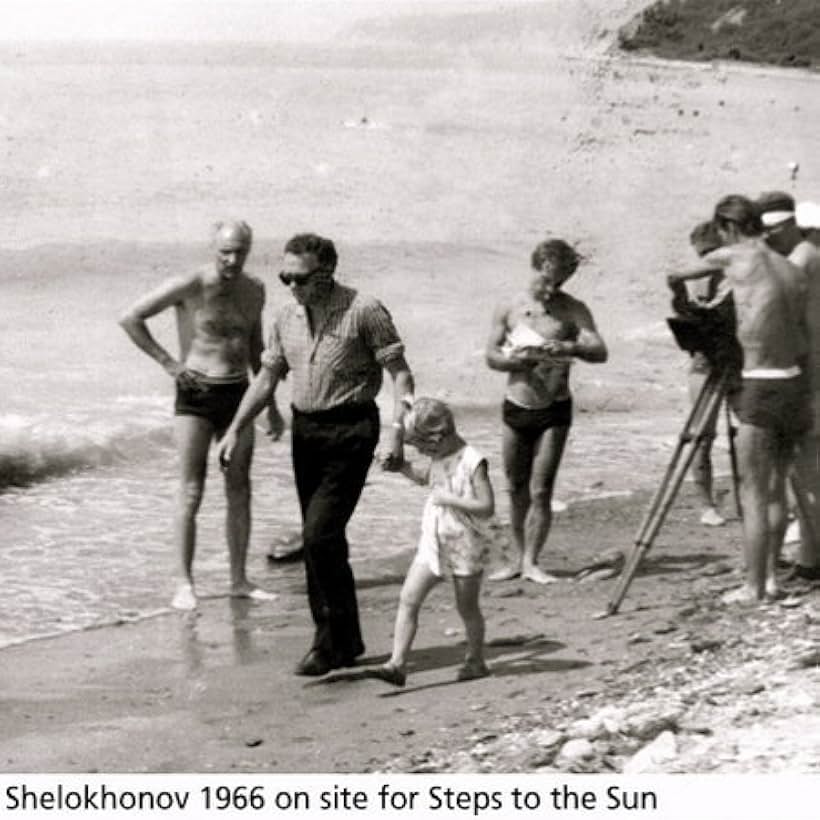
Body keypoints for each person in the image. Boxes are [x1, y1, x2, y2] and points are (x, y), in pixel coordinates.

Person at [217, 232, 414, 676]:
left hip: (353, 429)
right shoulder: (285, 316)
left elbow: (401, 374)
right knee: (322, 537)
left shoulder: (365, 309)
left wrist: (398, 433)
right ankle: (342, 641)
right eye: (285, 277)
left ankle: (330, 644)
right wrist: (234, 429)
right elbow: (266, 379)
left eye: (301, 278)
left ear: (326, 273)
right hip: (306, 432)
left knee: (319, 535)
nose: (292, 286)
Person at [119, 220, 281, 610]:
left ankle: (239, 580)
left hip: (238, 395)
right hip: (195, 396)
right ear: (213, 249)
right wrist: (170, 365)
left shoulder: (255, 290)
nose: (232, 258)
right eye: (225, 251)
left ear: (249, 249)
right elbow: (131, 318)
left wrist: (270, 405)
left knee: (240, 488)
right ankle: (184, 584)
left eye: (240, 250)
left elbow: (257, 345)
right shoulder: (190, 284)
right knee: (191, 489)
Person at [668, 195, 810, 604]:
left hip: (758, 381)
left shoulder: (733, 256)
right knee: (778, 487)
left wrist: (694, 301)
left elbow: (676, 273)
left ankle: (754, 585)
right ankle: (771, 581)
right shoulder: (792, 269)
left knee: (752, 490)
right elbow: (801, 337)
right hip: (792, 382)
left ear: (727, 228)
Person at [485, 239, 608, 584]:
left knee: (541, 489)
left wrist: (569, 346)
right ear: (537, 267)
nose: (553, 287)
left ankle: (532, 561)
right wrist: (514, 360)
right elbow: (491, 355)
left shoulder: (572, 308)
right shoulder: (509, 305)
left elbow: (599, 349)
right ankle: (516, 560)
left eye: (562, 279)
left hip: (554, 406)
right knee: (514, 485)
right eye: (549, 278)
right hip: (516, 402)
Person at [371, 398, 496, 687]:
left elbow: (487, 506)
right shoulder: (439, 455)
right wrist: (401, 467)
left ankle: (476, 660)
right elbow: (426, 477)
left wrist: (450, 499)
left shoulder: (472, 461)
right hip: (433, 543)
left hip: (466, 544)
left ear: (439, 436)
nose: (423, 453)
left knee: (467, 608)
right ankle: (397, 664)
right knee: (408, 598)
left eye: (424, 447)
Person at [757, 192, 820, 581]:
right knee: (805, 475)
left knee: (805, 474)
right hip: (807, 372)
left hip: (806, 377)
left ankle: (810, 560)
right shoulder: (808, 256)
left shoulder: (802, 259)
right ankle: (810, 560)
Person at [682, 220, 729, 527]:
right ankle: (705, 504)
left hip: (732, 362)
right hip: (706, 364)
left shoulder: (733, 272)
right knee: (702, 437)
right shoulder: (702, 275)